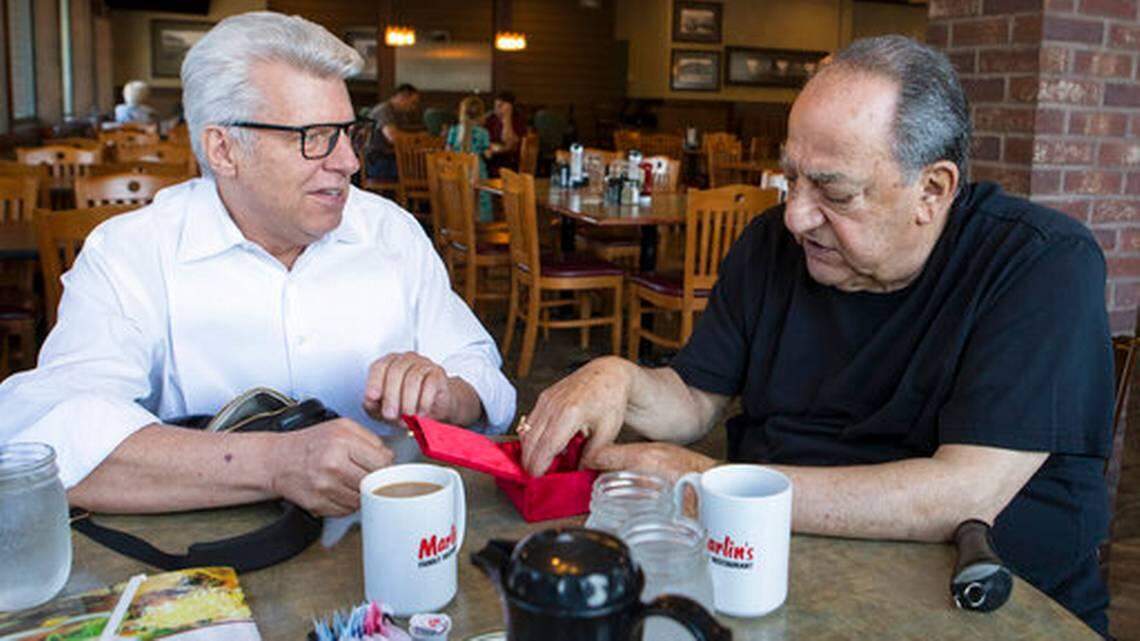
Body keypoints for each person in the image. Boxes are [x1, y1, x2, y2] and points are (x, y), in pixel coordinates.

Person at [518, 35, 1112, 636]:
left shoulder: (1040, 264)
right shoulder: (770, 245)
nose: (797, 216)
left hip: (985, 607)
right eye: (791, 179)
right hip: (781, 579)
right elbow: (694, 398)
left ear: (932, 191)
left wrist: (707, 488)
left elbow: (961, 494)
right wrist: (617, 377)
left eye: (834, 192)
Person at [0, 12, 515, 519]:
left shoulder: (390, 232)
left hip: (384, 537)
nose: (349, 163)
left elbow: (483, 378)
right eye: (313, 136)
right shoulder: (131, 253)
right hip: (207, 565)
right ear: (223, 149)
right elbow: (52, 437)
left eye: (347, 133)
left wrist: (444, 393)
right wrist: (276, 463)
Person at [444, 95, 493, 221]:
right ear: (481, 114)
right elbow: (488, 154)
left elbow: (447, 152)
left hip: (457, 171)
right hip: (477, 172)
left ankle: (458, 222)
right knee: (480, 199)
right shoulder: (483, 133)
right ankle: (480, 222)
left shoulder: (454, 131)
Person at [365, 83, 424, 181]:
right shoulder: (384, 110)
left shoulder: (402, 114)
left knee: (422, 167)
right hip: (377, 161)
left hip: (390, 157)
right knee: (420, 170)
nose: (414, 107)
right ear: (403, 96)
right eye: (413, 103)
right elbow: (393, 138)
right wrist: (418, 137)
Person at [483, 90, 526, 177]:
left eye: (500, 106)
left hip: (508, 163)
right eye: (495, 106)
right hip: (490, 158)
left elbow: (510, 145)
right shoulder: (490, 118)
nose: (497, 109)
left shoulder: (517, 120)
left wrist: (506, 118)